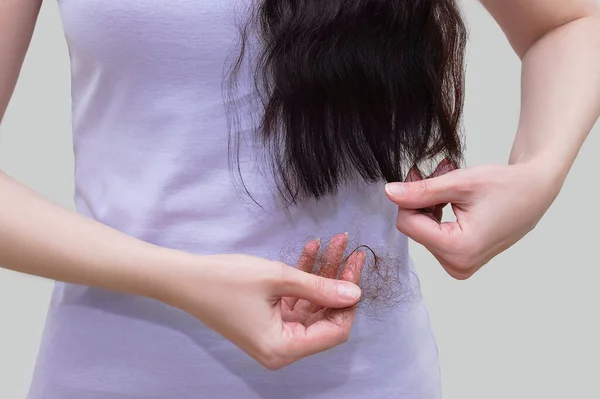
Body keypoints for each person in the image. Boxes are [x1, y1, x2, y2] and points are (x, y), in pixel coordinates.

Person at [1, 0, 598, 398]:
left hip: (372, 378)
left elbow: (571, 22)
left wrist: (537, 174)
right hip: (115, 373)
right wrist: (176, 278)